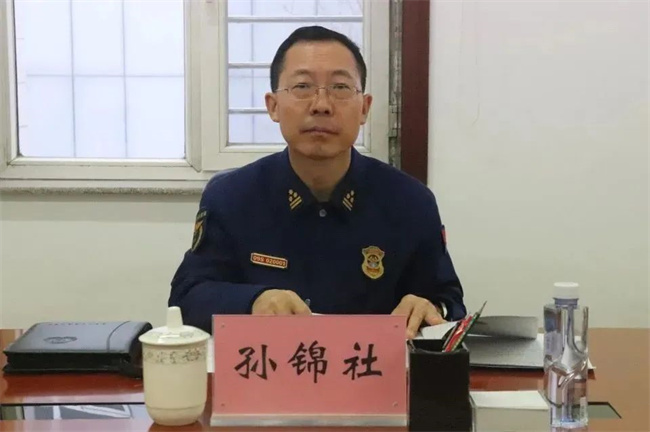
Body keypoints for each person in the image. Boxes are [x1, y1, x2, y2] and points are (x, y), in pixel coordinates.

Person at [169, 26, 466, 339]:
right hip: (269, 366)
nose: (321, 104)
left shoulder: (411, 201)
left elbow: (451, 304)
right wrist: (254, 301)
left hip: (370, 367)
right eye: (302, 86)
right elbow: (187, 299)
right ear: (273, 106)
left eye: (340, 87)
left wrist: (430, 307)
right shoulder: (231, 197)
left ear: (364, 108)